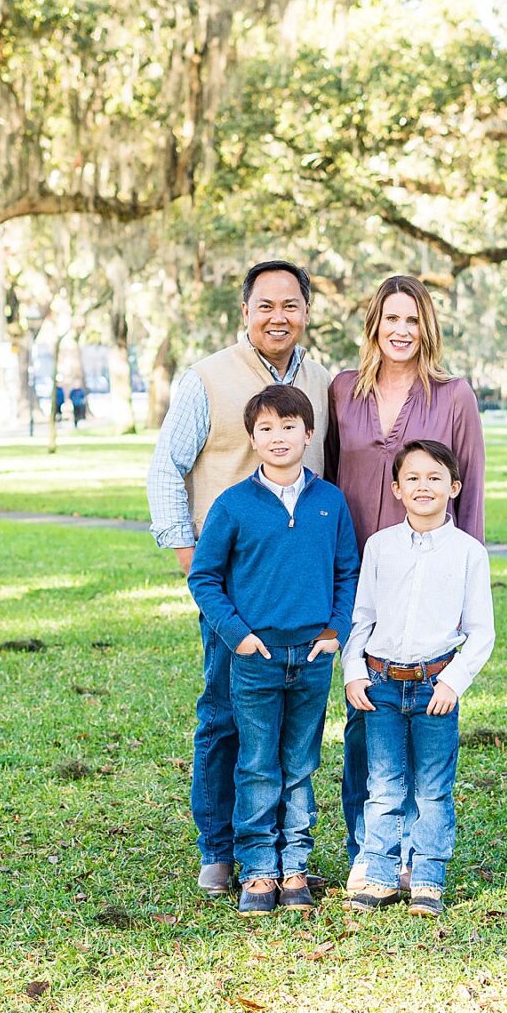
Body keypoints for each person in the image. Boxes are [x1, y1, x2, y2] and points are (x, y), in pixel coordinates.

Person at [146, 260, 333, 899]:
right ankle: (221, 849)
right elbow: (167, 467)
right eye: (265, 305)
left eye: (291, 305)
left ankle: (284, 850)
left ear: (306, 311)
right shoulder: (207, 378)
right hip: (230, 584)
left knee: (289, 732)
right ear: (245, 313)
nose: (278, 316)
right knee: (224, 713)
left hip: (298, 591)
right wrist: (184, 551)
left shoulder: (324, 382)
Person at [323, 273, 485, 895]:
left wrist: (462, 579)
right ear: (373, 325)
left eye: (412, 320)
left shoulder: (454, 396)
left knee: (424, 734)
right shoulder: (342, 392)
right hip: (360, 574)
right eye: (390, 318)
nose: (401, 330)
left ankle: (420, 855)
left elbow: (468, 498)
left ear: (428, 328)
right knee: (366, 717)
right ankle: (368, 850)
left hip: (431, 579)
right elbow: (329, 481)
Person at [187, 385, 359, 915]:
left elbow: (347, 571)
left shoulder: (330, 501)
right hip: (255, 658)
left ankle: (295, 865)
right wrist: (238, 635)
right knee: (258, 763)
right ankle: (259, 866)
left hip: (311, 658)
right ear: (252, 438)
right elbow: (205, 577)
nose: (278, 437)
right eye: (266, 428)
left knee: (301, 763)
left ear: (310, 435)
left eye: (289, 427)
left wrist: (334, 631)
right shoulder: (234, 504)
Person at [339, 440, 494, 917]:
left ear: (454, 487)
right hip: (381, 684)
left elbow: (482, 631)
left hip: (435, 688)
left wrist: (453, 682)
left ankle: (427, 876)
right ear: (396, 489)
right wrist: (352, 673)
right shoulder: (380, 546)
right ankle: (381, 875)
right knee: (383, 784)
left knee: (432, 788)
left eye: (434, 478)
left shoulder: (469, 553)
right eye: (412, 478)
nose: (423, 486)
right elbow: (360, 618)